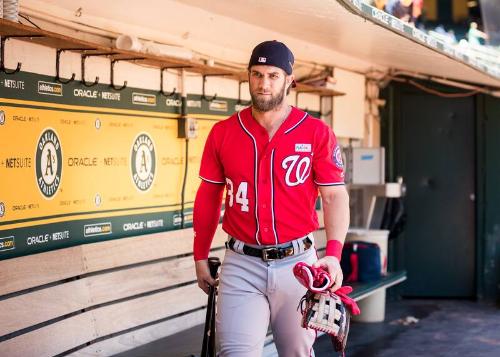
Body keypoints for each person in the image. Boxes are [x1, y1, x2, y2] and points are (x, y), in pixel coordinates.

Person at [193, 40, 350, 357]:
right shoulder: (223, 132)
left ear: (290, 80)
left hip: (298, 265)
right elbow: (209, 195)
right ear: (248, 76)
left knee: (296, 354)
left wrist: (333, 254)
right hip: (241, 264)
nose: (263, 83)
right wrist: (199, 255)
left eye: (273, 75)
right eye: (257, 74)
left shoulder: (317, 133)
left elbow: (334, 197)